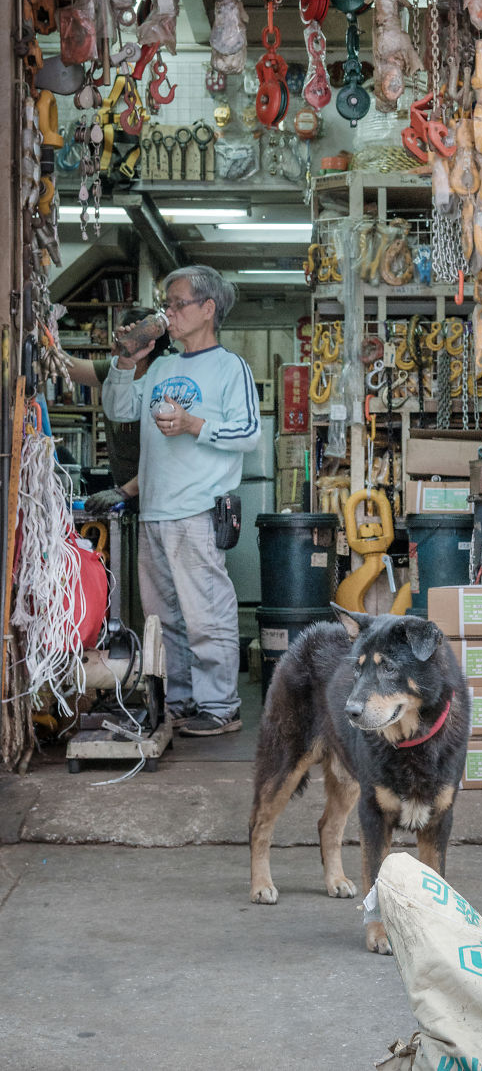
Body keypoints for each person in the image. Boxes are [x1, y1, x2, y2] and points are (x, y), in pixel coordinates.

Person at [102, 266, 261, 736]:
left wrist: (193, 425)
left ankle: (221, 707)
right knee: (165, 619)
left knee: (206, 614)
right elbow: (119, 409)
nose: (168, 313)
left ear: (207, 309)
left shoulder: (230, 367)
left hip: (197, 511)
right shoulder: (162, 367)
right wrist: (126, 362)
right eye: (166, 305)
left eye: (177, 304)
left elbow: (249, 433)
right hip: (154, 511)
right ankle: (182, 701)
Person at [61, 306, 175, 511]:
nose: (113, 346)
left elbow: (168, 457)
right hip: (131, 495)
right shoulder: (116, 369)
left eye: (121, 339)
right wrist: (43, 340)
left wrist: (125, 491)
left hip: (164, 498)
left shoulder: (166, 384)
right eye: (116, 338)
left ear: (145, 344)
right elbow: (66, 366)